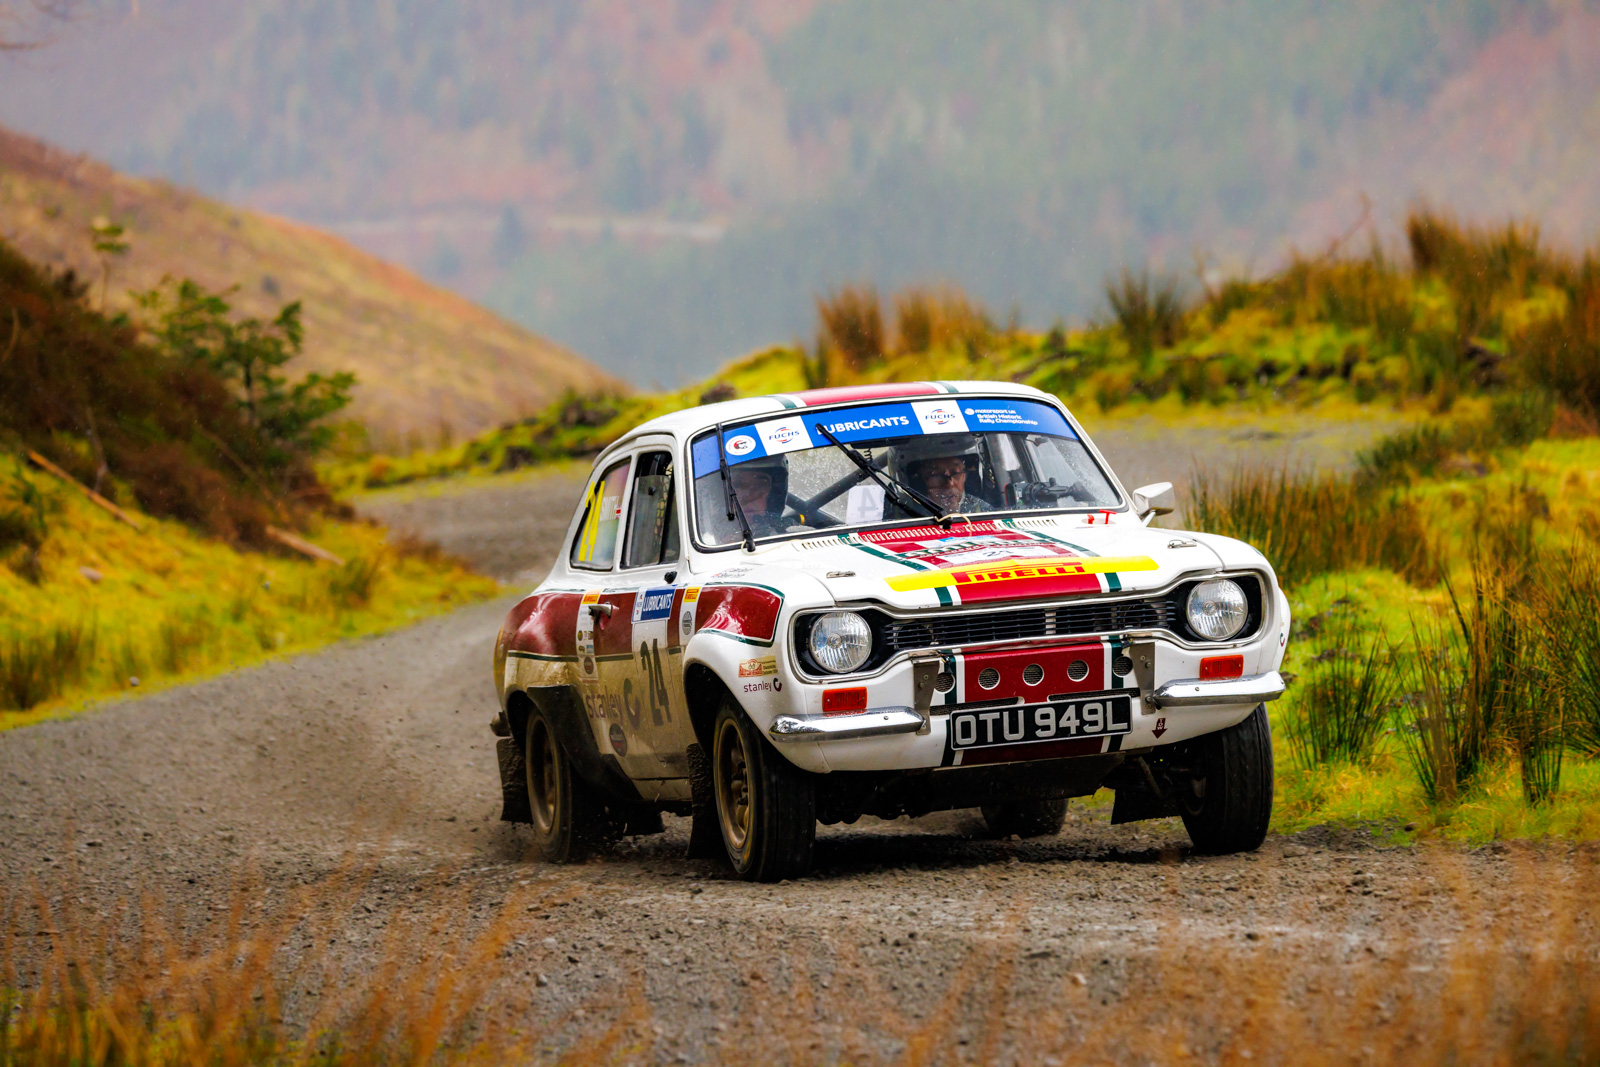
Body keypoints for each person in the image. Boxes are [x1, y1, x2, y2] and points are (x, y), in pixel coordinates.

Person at [899, 435, 991, 515]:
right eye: (937, 475)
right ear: (921, 480)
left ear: (965, 476)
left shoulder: (985, 510)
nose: (949, 484)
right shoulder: (902, 514)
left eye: (955, 473)